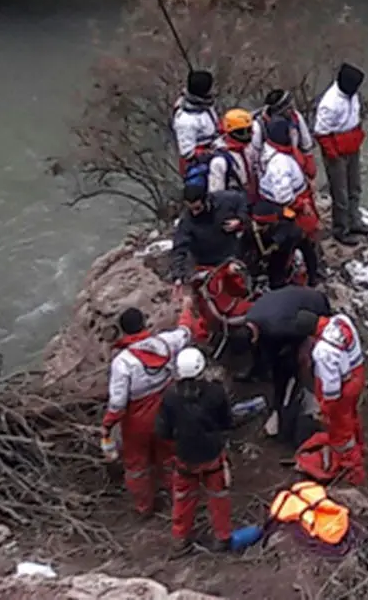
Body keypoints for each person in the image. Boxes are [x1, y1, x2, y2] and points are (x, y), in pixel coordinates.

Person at [102, 302, 193, 515]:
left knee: (136, 466)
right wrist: (187, 307)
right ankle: (178, 498)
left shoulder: (122, 362)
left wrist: (107, 426)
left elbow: (117, 403)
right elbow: (186, 331)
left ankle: (145, 507)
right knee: (170, 455)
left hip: (137, 420)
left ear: (123, 331)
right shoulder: (166, 343)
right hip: (165, 410)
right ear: (144, 324)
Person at [155, 347, 235, 553]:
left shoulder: (170, 398)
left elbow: (163, 431)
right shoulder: (216, 393)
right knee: (218, 495)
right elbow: (227, 422)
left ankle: (180, 538)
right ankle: (222, 537)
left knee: (183, 497)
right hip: (212, 453)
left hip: (185, 456)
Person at [241, 286, 331, 438]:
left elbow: (301, 336)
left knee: (289, 367)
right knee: (274, 359)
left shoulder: (279, 328)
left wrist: (300, 358)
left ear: (254, 337)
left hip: (315, 305)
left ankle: (288, 403)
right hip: (291, 302)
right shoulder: (251, 318)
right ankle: (262, 376)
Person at [291, 309, 367, 485]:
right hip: (357, 376)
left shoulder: (323, 351)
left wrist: (326, 409)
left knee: (341, 433)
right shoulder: (340, 321)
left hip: (342, 391)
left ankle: (353, 472)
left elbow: (332, 388)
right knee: (352, 416)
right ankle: (360, 447)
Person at [171, 184, 253, 344]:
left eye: (198, 208)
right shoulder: (187, 222)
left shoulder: (225, 200)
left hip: (232, 257)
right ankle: (214, 333)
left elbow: (243, 200)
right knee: (209, 302)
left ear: (206, 200)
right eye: (191, 209)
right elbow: (179, 248)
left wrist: (240, 219)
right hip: (207, 264)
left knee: (241, 289)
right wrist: (178, 276)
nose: (194, 212)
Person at [313, 63, 368, 246]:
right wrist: (333, 155)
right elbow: (321, 133)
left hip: (351, 144)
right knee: (341, 194)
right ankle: (341, 230)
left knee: (354, 187)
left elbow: (356, 115)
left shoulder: (352, 95)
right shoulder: (330, 103)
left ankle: (355, 221)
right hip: (336, 148)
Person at [258, 119, 320, 241]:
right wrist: (301, 204)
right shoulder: (279, 162)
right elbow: (283, 196)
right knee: (304, 235)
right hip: (293, 207)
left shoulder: (273, 150)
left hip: (295, 198)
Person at [244, 199, 320, 290]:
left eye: (261, 225)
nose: (257, 227)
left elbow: (305, 249)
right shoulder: (251, 228)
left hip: (282, 250)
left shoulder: (290, 230)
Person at [172, 70, 220, 179]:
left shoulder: (205, 105)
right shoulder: (186, 120)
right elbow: (188, 153)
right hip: (198, 168)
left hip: (214, 147)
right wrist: (216, 152)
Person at [252, 89, 314, 157]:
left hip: (294, 157)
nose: (291, 110)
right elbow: (255, 155)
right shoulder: (259, 126)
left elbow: (306, 144)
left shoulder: (295, 116)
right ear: (278, 110)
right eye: (288, 108)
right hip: (271, 162)